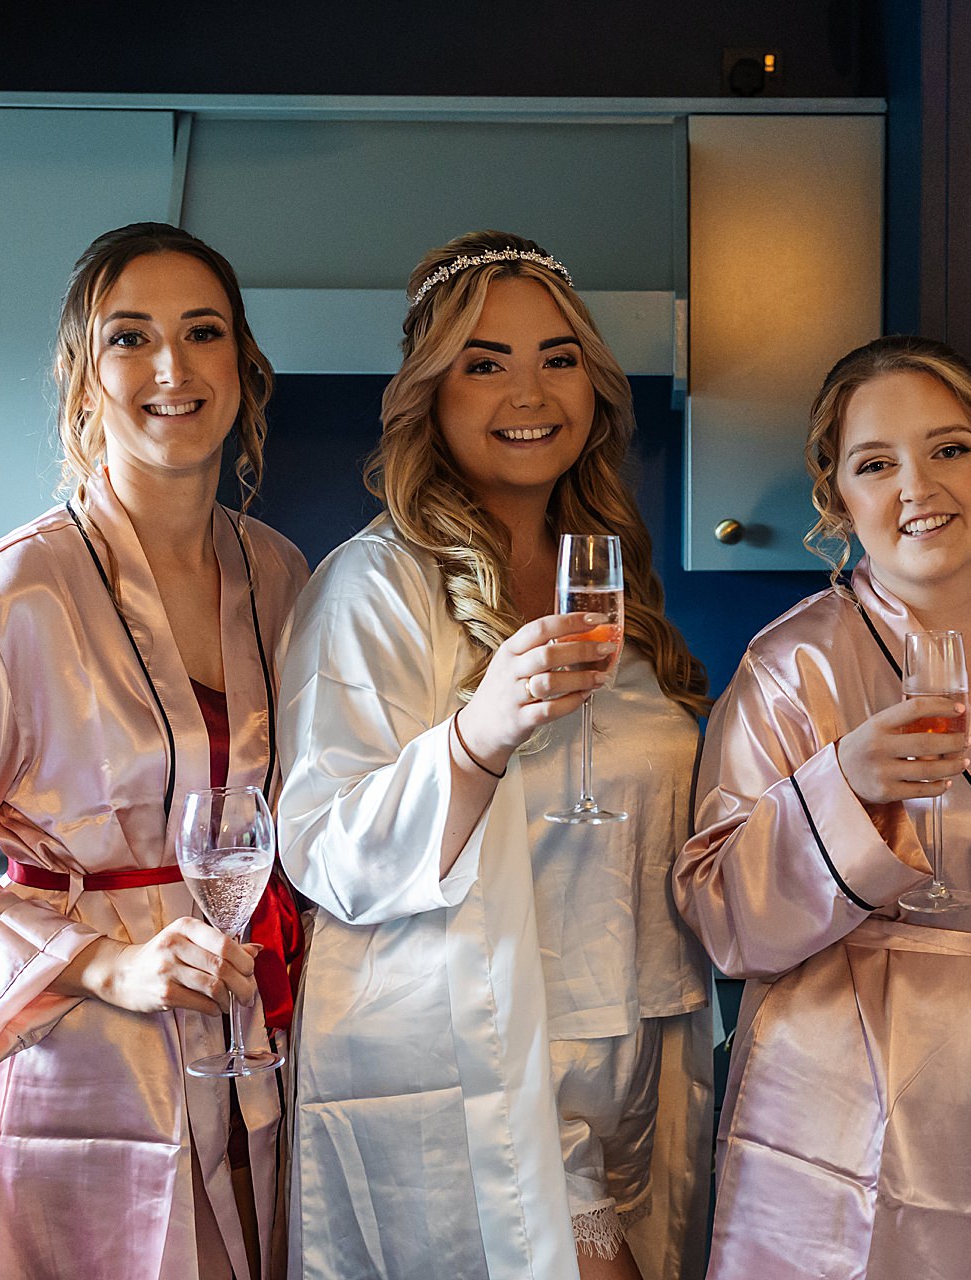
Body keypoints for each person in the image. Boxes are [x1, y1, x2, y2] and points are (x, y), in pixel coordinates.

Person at [0, 222, 309, 1280]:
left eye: (203, 332)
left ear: (242, 365)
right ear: (81, 375)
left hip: (260, 1032)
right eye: (129, 337)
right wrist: (107, 960)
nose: (171, 366)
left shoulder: (283, 576)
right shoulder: (5, 596)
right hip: (90, 1062)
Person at [275, 231, 714, 1280]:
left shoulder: (613, 590)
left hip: (643, 1043)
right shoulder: (377, 586)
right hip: (479, 1055)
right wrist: (477, 738)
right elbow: (325, 848)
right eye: (485, 361)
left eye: (558, 357)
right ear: (431, 394)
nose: (530, 389)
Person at [673, 335, 971, 1278]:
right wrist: (845, 789)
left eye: (948, 449)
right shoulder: (796, 666)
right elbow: (717, 914)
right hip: (852, 1104)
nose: (919, 486)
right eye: (877, 464)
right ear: (839, 498)